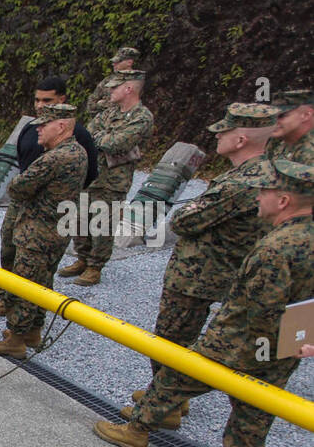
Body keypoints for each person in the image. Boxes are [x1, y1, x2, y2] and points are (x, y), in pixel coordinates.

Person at [93, 159, 314, 447]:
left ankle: (136, 430)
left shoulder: (275, 248)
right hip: (289, 340)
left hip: (241, 339)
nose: (259, 197)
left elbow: (262, 309)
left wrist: (262, 341)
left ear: (284, 200)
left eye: (267, 191)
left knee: (175, 377)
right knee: (257, 403)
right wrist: (300, 338)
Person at [119, 103, 279, 427]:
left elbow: (184, 220)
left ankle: (164, 409)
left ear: (241, 139)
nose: (217, 136)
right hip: (224, 271)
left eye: (225, 131)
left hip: (198, 276)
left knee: (171, 339)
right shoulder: (270, 173)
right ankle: (171, 397)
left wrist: (189, 210)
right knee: (182, 340)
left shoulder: (241, 183)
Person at [0, 76, 99, 319]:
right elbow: (21, 165)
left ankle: (31, 317)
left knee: (38, 265)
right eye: (37, 100)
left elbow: (89, 175)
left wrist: (51, 196)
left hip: (48, 213)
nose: (40, 105)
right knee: (9, 249)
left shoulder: (80, 137)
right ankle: (6, 299)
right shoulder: (30, 128)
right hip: (21, 203)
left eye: (47, 100)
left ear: (61, 100)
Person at [0, 104, 89, 357]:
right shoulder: (79, 152)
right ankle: (34, 331)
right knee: (43, 282)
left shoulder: (54, 158)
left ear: (61, 126)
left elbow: (18, 187)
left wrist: (18, 183)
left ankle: (16, 340)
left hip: (37, 233)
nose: (38, 129)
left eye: (45, 124)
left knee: (25, 284)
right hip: (57, 232)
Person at [59, 69, 154, 286]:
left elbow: (118, 143)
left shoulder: (142, 117)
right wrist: (103, 138)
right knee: (80, 219)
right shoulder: (109, 112)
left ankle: (95, 266)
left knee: (103, 224)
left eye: (115, 87)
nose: (109, 90)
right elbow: (85, 135)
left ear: (128, 88)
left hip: (114, 180)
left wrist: (101, 138)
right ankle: (82, 258)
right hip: (91, 173)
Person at [85, 46, 138, 116]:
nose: (114, 64)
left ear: (129, 63)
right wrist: (99, 106)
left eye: (118, 61)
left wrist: (104, 104)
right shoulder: (108, 80)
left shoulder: (138, 81)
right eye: (113, 62)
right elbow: (91, 103)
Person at [265, 88, 314, 164]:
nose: (273, 122)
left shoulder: (310, 151)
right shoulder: (277, 139)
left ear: (306, 115)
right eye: (272, 116)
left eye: (281, 116)